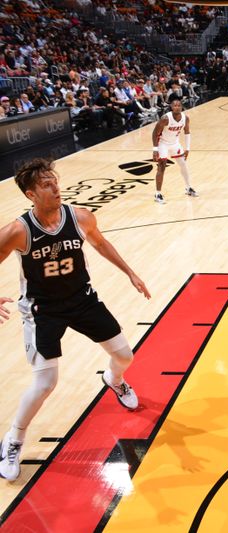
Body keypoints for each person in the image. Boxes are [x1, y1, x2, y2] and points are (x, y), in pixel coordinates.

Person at [0, 159, 151, 482]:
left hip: (82, 299)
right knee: (45, 383)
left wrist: (130, 273)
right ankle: (13, 439)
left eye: (54, 180)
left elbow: (100, 243)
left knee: (125, 356)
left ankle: (114, 379)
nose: (55, 187)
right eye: (45, 184)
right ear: (31, 195)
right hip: (43, 310)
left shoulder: (80, 216)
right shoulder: (18, 231)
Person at [152, 94, 198, 204]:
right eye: (174, 105)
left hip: (175, 143)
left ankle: (188, 188)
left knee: (183, 164)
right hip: (163, 144)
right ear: (171, 107)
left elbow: (187, 132)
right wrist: (155, 149)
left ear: (181, 106)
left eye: (179, 105)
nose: (177, 107)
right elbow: (155, 133)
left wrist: (187, 149)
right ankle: (158, 194)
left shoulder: (185, 118)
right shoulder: (165, 119)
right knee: (161, 168)